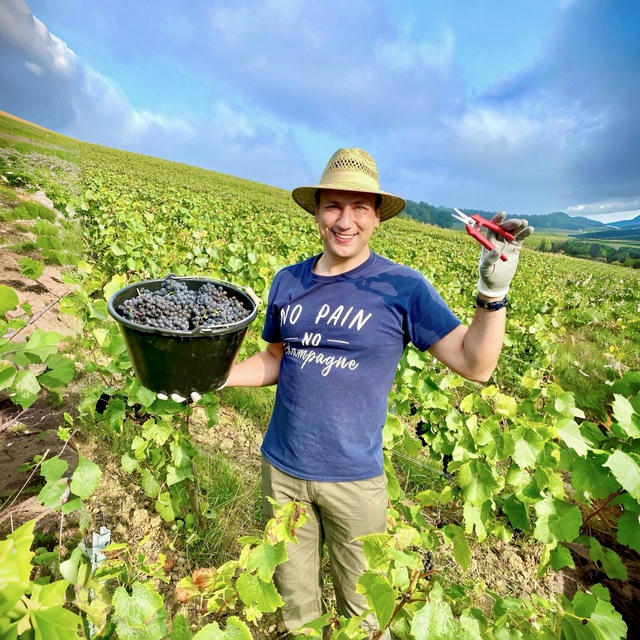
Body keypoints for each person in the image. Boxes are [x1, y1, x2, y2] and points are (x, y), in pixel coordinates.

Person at [224, 147, 533, 635]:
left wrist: (492, 295)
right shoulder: (288, 282)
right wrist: (217, 377)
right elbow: (276, 360)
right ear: (317, 211)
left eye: (359, 208)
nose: (345, 221)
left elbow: (477, 365)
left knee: (366, 615)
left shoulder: (402, 287)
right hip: (282, 471)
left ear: (376, 218)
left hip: (355, 482)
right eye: (333, 206)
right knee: (294, 610)